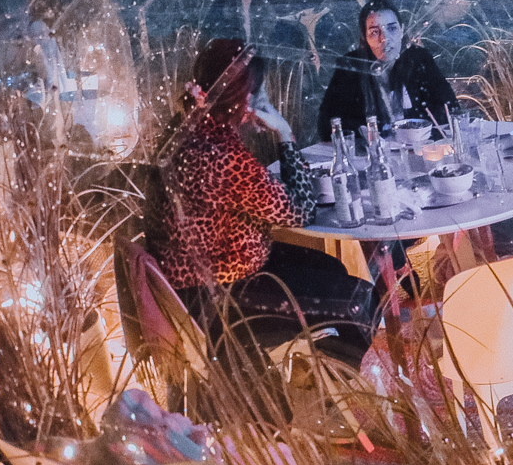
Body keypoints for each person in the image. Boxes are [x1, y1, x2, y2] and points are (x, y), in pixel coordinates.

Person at [151, 43, 380, 356]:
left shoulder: (189, 129)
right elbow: (301, 212)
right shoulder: (223, 155)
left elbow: (261, 196)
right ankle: (361, 380)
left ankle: (331, 362)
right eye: (258, 93)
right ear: (241, 97)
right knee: (358, 296)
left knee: (331, 267)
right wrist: (285, 134)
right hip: (220, 293)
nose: (262, 102)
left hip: (203, 274)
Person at [317, 0, 457, 143]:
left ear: (402, 30)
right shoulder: (353, 66)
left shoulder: (420, 59)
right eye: (374, 32)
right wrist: (364, 132)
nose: (384, 39)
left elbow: (449, 108)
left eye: (392, 29)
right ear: (365, 37)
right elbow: (328, 124)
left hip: (421, 147)